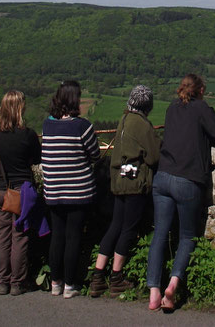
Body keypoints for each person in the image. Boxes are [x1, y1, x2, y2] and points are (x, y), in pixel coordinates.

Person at [146, 74, 215, 311]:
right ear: (201, 90)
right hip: (188, 178)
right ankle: (173, 284)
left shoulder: (172, 108)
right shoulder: (201, 108)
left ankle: (153, 290)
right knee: (186, 236)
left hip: (162, 176)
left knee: (160, 234)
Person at [89, 85, 160, 298]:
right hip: (134, 183)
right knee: (128, 229)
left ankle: (97, 275)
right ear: (148, 105)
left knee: (115, 226)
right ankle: (116, 277)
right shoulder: (141, 124)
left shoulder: (124, 119)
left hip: (118, 181)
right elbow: (154, 156)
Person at [41, 80, 100, 299]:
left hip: (54, 190)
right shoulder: (82, 126)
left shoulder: (48, 125)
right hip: (78, 191)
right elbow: (95, 155)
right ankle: (70, 284)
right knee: (74, 237)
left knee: (57, 236)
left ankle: (55, 282)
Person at [0, 89, 41, 296]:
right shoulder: (27, 134)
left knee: (2, 236)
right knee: (19, 236)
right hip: (21, 191)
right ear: (20, 108)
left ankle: (2, 280)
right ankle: (17, 282)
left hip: (1, 189)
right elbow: (37, 158)